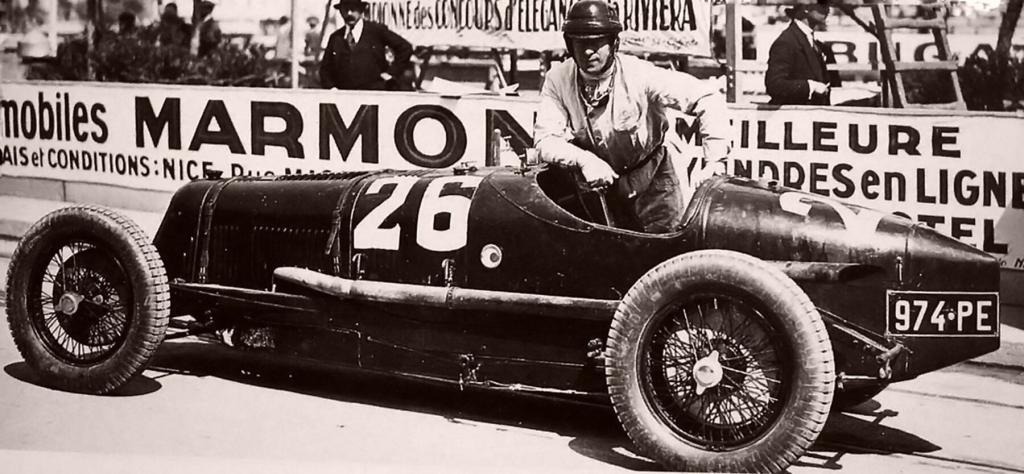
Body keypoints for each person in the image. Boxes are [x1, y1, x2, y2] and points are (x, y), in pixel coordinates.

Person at [533, 0, 731, 234]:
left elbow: (707, 97)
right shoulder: (558, 78)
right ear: (569, 44)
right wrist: (584, 160)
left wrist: (715, 160)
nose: (588, 51)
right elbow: (545, 140)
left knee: (665, 255)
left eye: (597, 43)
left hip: (656, 181)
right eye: (580, 43)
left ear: (613, 43)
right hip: (601, 190)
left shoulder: (640, 74)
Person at [319, 0, 413, 90]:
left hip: (375, 95)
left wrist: (392, 73)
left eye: (353, 9)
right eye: (345, 9)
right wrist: (332, 89)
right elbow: (325, 69)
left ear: (361, 10)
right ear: (340, 12)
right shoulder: (336, 37)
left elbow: (405, 48)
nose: (349, 13)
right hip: (345, 98)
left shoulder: (376, 30)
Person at [765, 0, 841, 105]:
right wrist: (810, 86)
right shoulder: (786, 42)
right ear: (805, 7)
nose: (828, 9)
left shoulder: (813, 43)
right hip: (795, 117)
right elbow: (774, 85)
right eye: (822, 4)